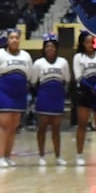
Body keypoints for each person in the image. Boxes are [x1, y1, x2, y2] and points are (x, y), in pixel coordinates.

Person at [0, 30, 32, 169]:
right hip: (2, 91)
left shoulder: (26, 56)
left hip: (19, 93)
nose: (14, 40)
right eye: (11, 38)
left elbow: (29, 75)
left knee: (13, 126)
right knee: (3, 125)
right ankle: (0, 157)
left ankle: (8, 156)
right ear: (7, 40)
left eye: (17, 37)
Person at [30, 35, 70, 166]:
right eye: (47, 46)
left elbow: (67, 80)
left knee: (56, 129)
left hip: (57, 97)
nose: (50, 49)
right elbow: (33, 81)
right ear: (44, 49)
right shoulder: (38, 63)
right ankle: (41, 156)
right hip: (43, 97)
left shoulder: (63, 62)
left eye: (52, 46)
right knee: (42, 128)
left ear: (56, 48)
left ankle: (58, 156)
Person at [71, 33, 96, 166]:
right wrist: (90, 87)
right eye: (87, 42)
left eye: (92, 42)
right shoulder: (78, 57)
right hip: (84, 93)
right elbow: (78, 76)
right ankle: (79, 155)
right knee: (82, 125)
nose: (90, 45)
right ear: (82, 43)